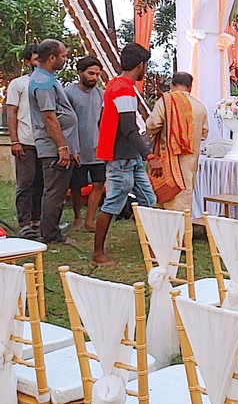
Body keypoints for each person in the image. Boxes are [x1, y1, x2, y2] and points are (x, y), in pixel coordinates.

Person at [94, 43, 162, 266]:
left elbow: (104, 121)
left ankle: (153, 247)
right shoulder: (123, 89)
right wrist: (149, 156)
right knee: (113, 203)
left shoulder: (115, 84)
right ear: (141, 65)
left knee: (149, 200)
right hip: (121, 157)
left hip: (127, 155)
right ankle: (98, 255)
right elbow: (129, 129)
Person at [28, 39, 80, 245]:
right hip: (53, 147)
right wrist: (62, 146)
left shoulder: (48, 78)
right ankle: (51, 235)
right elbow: (49, 117)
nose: (65, 59)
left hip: (60, 145)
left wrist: (71, 146)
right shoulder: (42, 82)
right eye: (63, 56)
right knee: (55, 191)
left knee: (57, 190)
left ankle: (52, 229)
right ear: (52, 58)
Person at [146, 71, 209, 212]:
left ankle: (167, 232)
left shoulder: (165, 101)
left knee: (166, 199)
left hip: (167, 160)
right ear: (190, 87)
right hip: (189, 164)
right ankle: (183, 232)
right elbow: (204, 134)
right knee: (184, 198)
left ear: (172, 85)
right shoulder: (200, 107)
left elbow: (151, 125)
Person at [64, 56, 105, 232]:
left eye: (97, 74)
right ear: (80, 73)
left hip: (96, 148)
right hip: (76, 147)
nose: (94, 77)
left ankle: (90, 220)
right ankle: (77, 218)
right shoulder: (68, 93)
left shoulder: (100, 94)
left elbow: (102, 120)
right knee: (76, 185)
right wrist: (70, 147)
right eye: (90, 73)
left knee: (98, 183)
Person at [5, 44, 42, 238]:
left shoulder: (50, 83)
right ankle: (25, 223)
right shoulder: (18, 84)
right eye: (36, 59)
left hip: (45, 143)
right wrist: (14, 141)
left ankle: (38, 220)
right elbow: (11, 112)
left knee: (41, 184)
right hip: (25, 141)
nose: (39, 62)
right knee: (25, 184)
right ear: (28, 62)